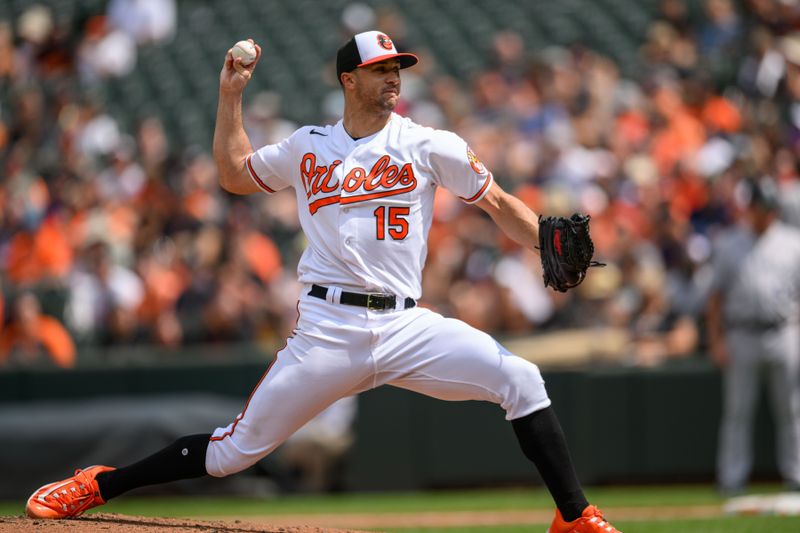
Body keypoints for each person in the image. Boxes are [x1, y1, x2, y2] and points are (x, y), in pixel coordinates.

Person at [25, 31, 620, 533]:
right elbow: (234, 175)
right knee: (231, 454)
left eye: (397, 69)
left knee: (520, 377)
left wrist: (543, 232)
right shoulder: (309, 147)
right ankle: (100, 484)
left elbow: (495, 200)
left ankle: (574, 516)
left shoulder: (426, 142)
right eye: (379, 69)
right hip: (327, 329)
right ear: (348, 80)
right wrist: (231, 95)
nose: (393, 78)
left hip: (406, 323)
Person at [706, 176, 800, 494]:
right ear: (749, 209)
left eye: (767, 207)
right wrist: (716, 340)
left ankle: (796, 474)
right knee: (738, 412)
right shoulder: (730, 242)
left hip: (784, 331)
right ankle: (732, 478)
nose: (762, 213)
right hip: (742, 333)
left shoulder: (793, 242)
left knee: (792, 409)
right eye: (757, 207)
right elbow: (715, 298)